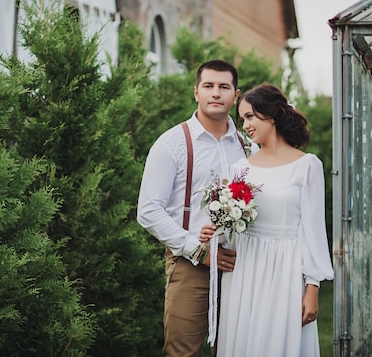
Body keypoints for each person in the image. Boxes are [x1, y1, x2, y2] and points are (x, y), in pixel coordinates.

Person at [200, 83, 334, 357]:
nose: (245, 125)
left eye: (250, 116)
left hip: (285, 270)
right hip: (244, 270)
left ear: (271, 115)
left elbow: (313, 231)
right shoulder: (241, 168)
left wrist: (312, 287)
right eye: (242, 119)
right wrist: (215, 229)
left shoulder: (307, 165)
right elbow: (233, 226)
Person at [137, 59, 255, 357]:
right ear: (196, 92)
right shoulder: (172, 143)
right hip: (190, 263)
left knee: (235, 350)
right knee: (182, 351)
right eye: (209, 86)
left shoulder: (247, 146)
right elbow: (148, 210)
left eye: (224, 87)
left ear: (235, 95)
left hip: (239, 263)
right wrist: (196, 248)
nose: (216, 93)